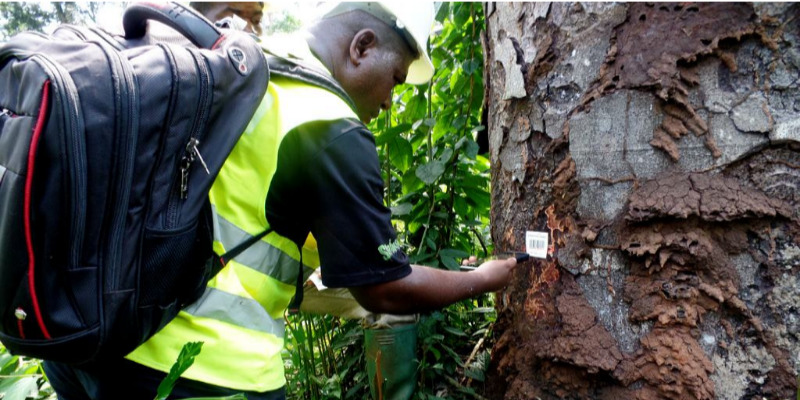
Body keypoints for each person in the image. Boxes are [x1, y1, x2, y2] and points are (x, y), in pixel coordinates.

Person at [43, 3, 517, 399]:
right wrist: (481, 278)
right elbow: (384, 289)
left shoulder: (237, 60)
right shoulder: (328, 121)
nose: (391, 100)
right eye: (394, 78)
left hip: (86, 341)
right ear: (362, 46)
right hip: (202, 367)